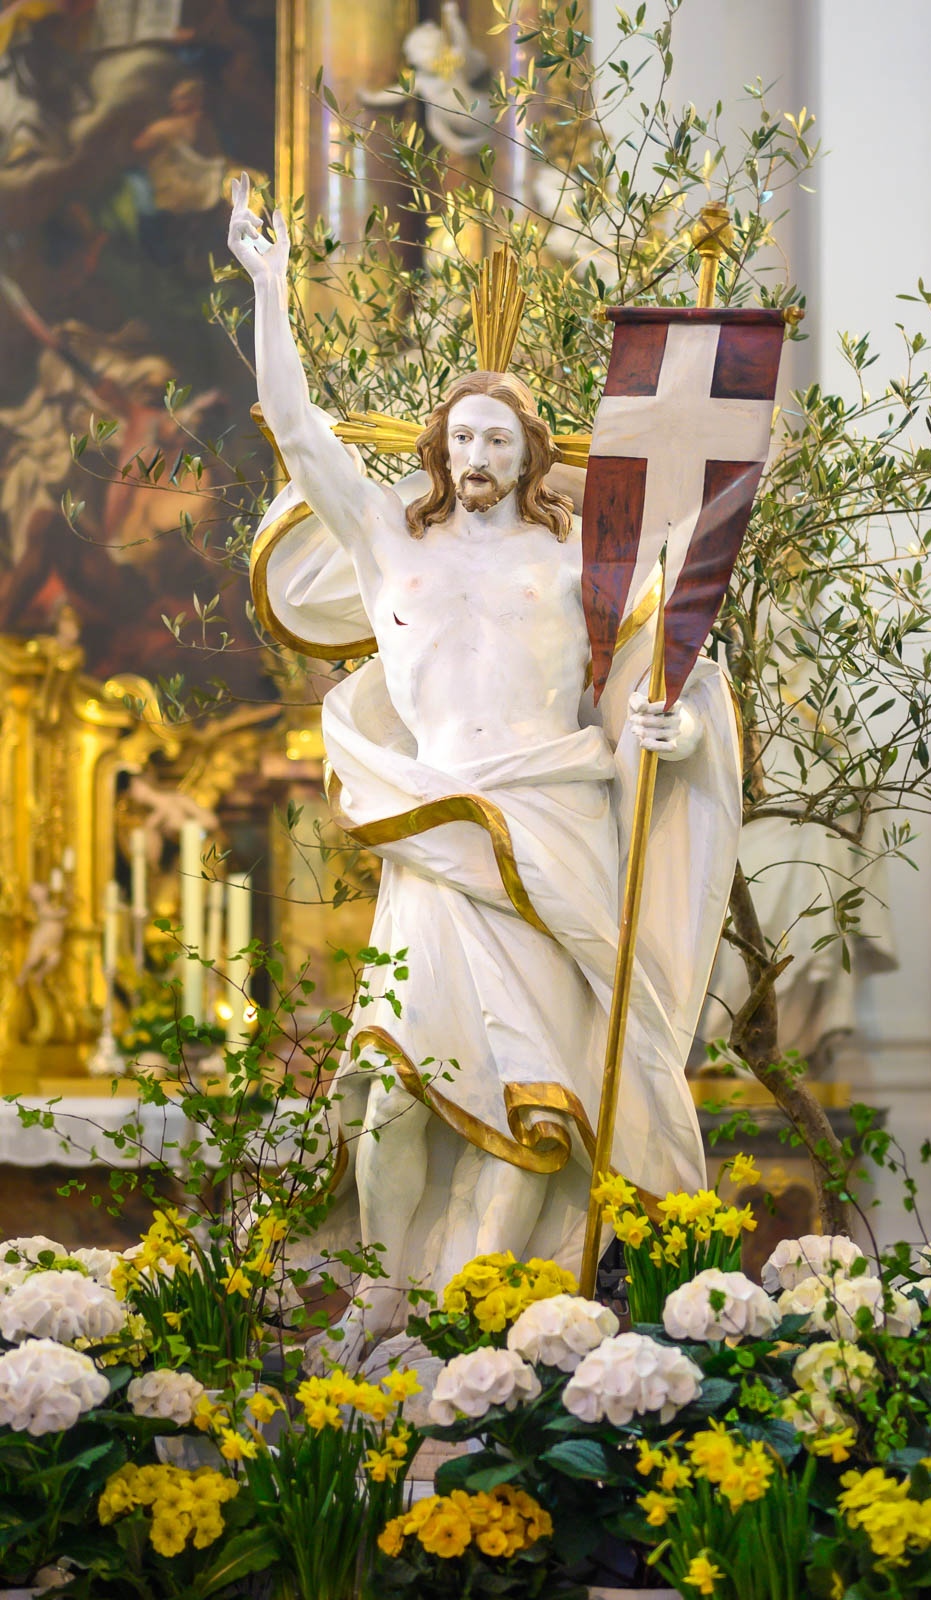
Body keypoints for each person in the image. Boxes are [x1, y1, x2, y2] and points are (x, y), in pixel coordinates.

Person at [228, 178, 742, 1345]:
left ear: (528, 452)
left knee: (538, 1100)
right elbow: (299, 431)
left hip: (552, 821)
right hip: (434, 834)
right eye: (458, 435)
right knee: (391, 1092)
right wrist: (270, 289)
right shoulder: (387, 550)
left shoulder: (574, 566)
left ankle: (484, 1306)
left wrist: (677, 731)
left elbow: (660, 676)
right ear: (436, 445)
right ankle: (379, 1294)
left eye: (495, 437)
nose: (473, 453)